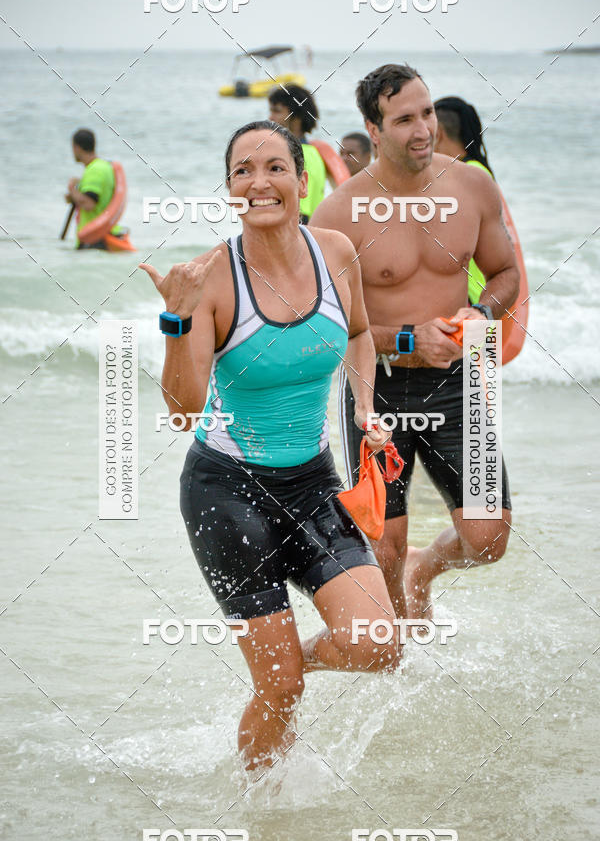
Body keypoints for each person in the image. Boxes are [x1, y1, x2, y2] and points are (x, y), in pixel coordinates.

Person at [141, 120, 399, 772]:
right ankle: (259, 809)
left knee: (377, 644)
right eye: (243, 171)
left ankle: (287, 664)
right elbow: (182, 411)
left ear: (301, 181)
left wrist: (365, 406)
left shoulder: (336, 252)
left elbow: (359, 332)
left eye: (275, 167)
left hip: (312, 483)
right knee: (281, 691)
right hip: (227, 493)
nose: (259, 182)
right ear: (230, 188)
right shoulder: (212, 279)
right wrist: (176, 321)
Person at [310, 64, 519, 621]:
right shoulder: (340, 214)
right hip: (377, 389)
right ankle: (398, 651)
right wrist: (408, 338)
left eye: (427, 113)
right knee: (383, 549)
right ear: (373, 130)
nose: (424, 129)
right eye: (405, 119)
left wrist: (478, 314)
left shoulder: (472, 187)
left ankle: (424, 568)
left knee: (488, 538)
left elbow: (505, 273)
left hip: (458, 383)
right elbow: (327, 324)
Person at [434, 96, 495, 303]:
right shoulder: (478, 170)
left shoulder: (465, 175)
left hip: (469, 298)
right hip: (480, 295)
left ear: (438, 134)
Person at [267, 85, 328, 222]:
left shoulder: (301, 156)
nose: (270, 117)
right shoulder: (311, 153)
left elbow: (300, 215)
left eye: (277, 111)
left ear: (296, 118)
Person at [65, 129, 123, 249]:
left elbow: (89, 204)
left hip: (96, 239)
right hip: (106, 234)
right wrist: (73, 196)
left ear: (76, 147)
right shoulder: (105, 166)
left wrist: (72, 189)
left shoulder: (94, 170)